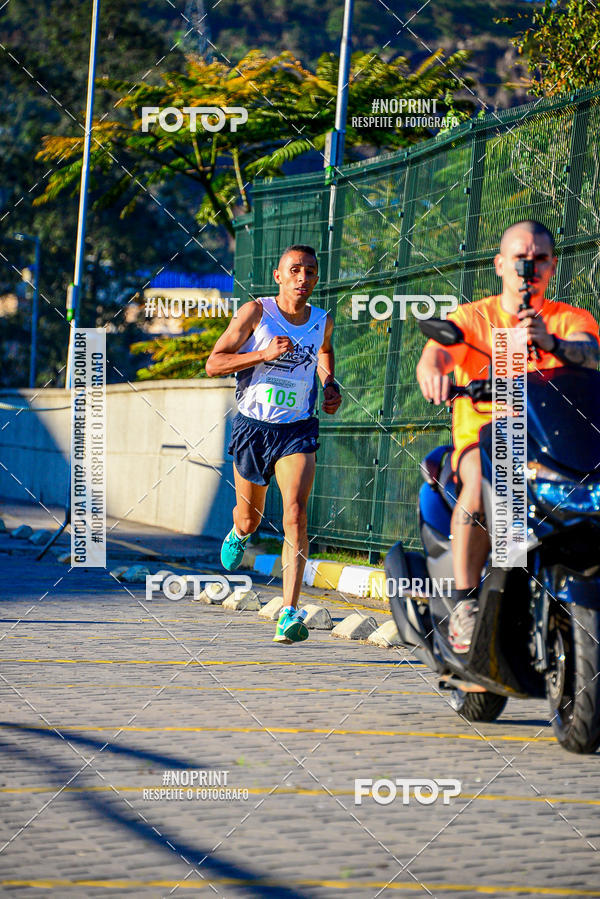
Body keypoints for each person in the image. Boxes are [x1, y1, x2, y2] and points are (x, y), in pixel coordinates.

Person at [416, 220, 600, 653]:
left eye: (538, 259)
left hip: (550, 446)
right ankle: (464, 605)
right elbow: (435, 357)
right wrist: (434, 377)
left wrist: (551, 343)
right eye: (520, 257)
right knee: (485, 471)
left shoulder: (570, 319)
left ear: (552, 265)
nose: (528, 267)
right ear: (500, 264)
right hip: (483, 439)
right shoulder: (471, 317)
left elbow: (589, 354)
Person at [205, 245, 342, 643]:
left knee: (295, 515)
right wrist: (262, 354)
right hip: (253, 428)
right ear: (278, 275)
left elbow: (324, 352)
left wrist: (328, 383)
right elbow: (214, 363)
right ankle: (240, 530)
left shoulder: (322, 321)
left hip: (296, 430)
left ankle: (288, 611)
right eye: (295, 270)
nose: (303, 278)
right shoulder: (255, 313)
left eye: (311, 272)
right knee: (251, 518)